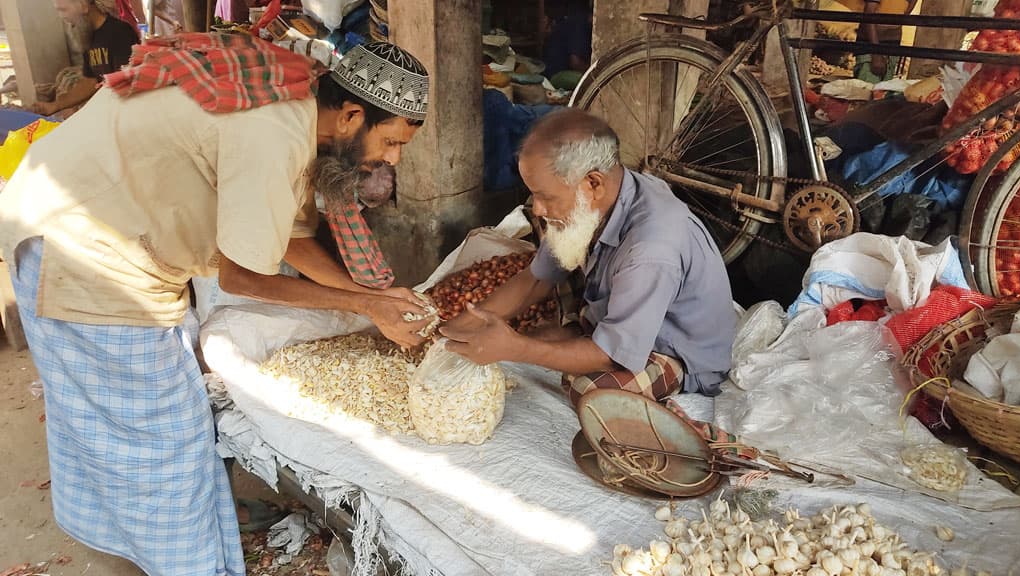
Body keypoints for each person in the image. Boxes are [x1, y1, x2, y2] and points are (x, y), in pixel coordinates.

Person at [0, 37, 431, 575]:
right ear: (350, 116)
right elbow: (244, 274)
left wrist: (370, 298)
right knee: (164, 440)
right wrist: (365, 308)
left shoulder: (297, 112)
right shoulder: (275, 133)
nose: (389, 160)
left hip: (94, 234)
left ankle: (193, 531)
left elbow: (285, 239)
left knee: (160, 419)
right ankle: (191, 564)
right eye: (391, 143)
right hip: (82, 254)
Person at [441, 109, 736, 407]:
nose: (538, 209)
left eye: (547, 197)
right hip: (627, 315)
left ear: (593, 183)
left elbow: (610, 358)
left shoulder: (651, 249)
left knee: (589, 391)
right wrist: (461, 323)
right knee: (560, 261)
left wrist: (516, 349)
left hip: (677, 351)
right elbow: (536, 278)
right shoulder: (604, 195)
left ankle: (576, 338)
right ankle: (575, 335)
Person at [33, 0, 140, 117]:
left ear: (84, 6)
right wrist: (55, 105)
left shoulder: (119, 32)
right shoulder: (88, 36)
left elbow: (124, 84)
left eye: (63, 10)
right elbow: (90, 81)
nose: (62, 17)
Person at [846, 0, 918, 83]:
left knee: (882, 91)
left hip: (891, 47)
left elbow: (903, 15)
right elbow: (869, 15)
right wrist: (876, 53)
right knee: (867, 90)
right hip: (872, 48)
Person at [542, 0, 593, 90]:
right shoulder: (580, 25)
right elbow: (575, 63)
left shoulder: (581, 21)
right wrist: (594, 70)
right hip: (556, 75)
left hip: (557, 72)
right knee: (591, 81)